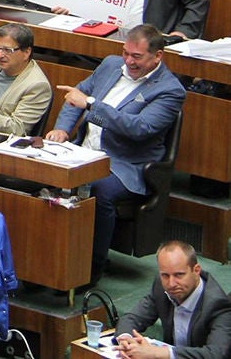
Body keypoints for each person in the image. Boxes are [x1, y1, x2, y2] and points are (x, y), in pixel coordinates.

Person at [46, 25, 186, 281]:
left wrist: (92, 104)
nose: (129, 61)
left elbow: (139, 128)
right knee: (41, 174)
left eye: (137, 57)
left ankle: (90, 269)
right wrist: (62, 130)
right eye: (126, 53)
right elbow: (75, 96)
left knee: (97, 188)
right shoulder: (111, 65)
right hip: (81, 151)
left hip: (123, 165)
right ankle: (47, 261)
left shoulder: (170, 90)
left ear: (157, 56)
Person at [113, 241, 231, 359]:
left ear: (196, 271)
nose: (171, 284)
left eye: (179, 275)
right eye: (165, 275)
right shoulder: (161, 287)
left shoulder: (218, 305)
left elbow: (216, 354)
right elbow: (133, 318)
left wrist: (159, 353)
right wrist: (126, 340)